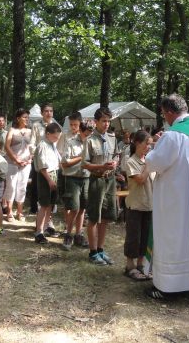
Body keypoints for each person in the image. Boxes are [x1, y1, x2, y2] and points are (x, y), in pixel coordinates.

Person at [144, 94, 189, 299]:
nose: (165, 118)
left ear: (171, 112)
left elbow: (155, 162)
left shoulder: (173, 135)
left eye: (164, 114)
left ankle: (168, 287)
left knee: (171, 238)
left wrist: (150, 150)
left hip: (173, 198)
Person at [82, 107, 118, 266]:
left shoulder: (112, 138)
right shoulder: (90, 140)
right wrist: (101, 167)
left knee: (106, 217)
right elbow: (85, 164)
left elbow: (116, 154)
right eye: (104, 121)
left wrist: (115, 163)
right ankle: (92, 251)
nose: (107, 124)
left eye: (109, 121)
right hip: (96, 180)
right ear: (96, 122)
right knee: (94, 217)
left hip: (110, 181)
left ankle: (101, 249)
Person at [123, 130, 154, 281]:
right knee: (133, 237)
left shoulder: (148, 160)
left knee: (146, 237)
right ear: (137, 143)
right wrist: (149, 164)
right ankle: (130, 266)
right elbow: (140, 179)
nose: (149, 147)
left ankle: (141, 265)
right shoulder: (131, 161)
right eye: (146, 144)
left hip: (149, 205)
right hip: (135, 206)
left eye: (150, 144)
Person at [60, 115, 92, 250]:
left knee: (83, 208)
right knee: (74, 208)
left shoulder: (92, 142)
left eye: (90, 133)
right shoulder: (71, 142)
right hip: (72, 178)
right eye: (86, 133)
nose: (88, 136)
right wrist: (81, 157)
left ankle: (78, 234)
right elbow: (65, 163)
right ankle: (68, 235)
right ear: (80, 131)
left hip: (86, 178)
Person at [30, 103, 59, 233]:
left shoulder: (56, 126)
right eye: (46, 111)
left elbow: (58, 146)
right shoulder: (36, 126)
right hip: (42, 167)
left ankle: (48, 224)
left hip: (53, 167)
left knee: (50, 202)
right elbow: (32, 144)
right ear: (42, 113)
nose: (48, 113)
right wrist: (37, 154)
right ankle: (39, 228)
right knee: (42, 200)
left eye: (51, 111)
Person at [33, 122, 62, 244]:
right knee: (44, 204)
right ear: (48, 134)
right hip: (46, 176)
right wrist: (49, 180)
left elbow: (58, 160)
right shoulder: (42, 145)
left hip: (54, 174)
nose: (57, 139)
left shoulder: (52, 144)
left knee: (50, 204)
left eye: (58, 137)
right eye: (55, 136)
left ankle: (46, 227)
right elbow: (42, 166)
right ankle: (38, 232)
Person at [3, 108, 33, 222]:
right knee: (11, 186)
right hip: (12, 162)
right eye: (25, 117)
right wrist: (16, 159)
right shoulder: (12, 130)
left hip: (26, 163)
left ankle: (20, 212)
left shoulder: (30, 131)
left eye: (27, 117)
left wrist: (29, 159)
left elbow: (33, 147)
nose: (27, 119)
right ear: (18, 118)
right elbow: (7, 146)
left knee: (22, 187)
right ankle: (9, 212)